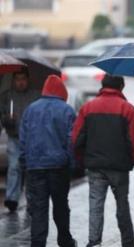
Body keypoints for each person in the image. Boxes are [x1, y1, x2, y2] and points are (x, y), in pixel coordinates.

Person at [72, 74, 134, 247]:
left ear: (102, 86)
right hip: (119, 167)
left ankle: (94, 242)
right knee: (122, 205)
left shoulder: (88, 108)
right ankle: (127, 242)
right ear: (121, 87)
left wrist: (84, 159)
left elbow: (76, 140)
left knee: (95, 204)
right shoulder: (128, 109)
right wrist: (131, 161)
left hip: (95, 166)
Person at [19, 75, 77, 247]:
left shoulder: (31, 109)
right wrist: (71, 164)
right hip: (59, 167)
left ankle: (37, 243)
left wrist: (24, 162)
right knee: (60, 206)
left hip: (35, 167)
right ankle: (65, 240)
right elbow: (71, 141)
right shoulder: (67, 110)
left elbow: (24, 139)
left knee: (38, 208)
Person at [0, 68, 40, 212]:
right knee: (14, 167)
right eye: (17, 79)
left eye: (23, 79)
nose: (20, 82)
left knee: (30, 169)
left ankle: (31, 198)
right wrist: (7, 119)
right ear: (13, 80)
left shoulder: (35, 96)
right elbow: (2, 117)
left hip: (31, 139)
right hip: (14, 137)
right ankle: (12, 198)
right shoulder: (7, 96)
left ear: (27, 80)